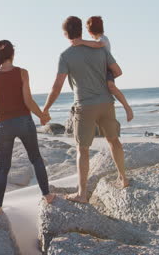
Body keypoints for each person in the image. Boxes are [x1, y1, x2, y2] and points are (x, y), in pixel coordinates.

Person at [42, 16, 129, 204]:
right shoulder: (101, 49)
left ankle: (82, 194)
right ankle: (123, 178)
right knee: (114, 141)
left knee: (83, 149)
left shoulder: (65, 56)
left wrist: (46, 108)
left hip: (84, 106)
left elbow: (56, 87)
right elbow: (117, 70)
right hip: (106, 102)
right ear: (81, 31)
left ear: (65, 34)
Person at [0, 40, 55, 215]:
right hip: (24, 121)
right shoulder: (22, 73)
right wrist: (42, 116)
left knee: (3, 167)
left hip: (3, 125)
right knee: (36, 159)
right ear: (13, 54)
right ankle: (47, 195)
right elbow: (28, 100)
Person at [72, 16, 134, 122]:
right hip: (99, 71)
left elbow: (98, 45)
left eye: (87, 29)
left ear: (91, 30)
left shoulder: (102, 39)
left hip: (107, 70)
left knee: (111, 86)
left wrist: (82, 41)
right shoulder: (95, 42)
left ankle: (127, 108)